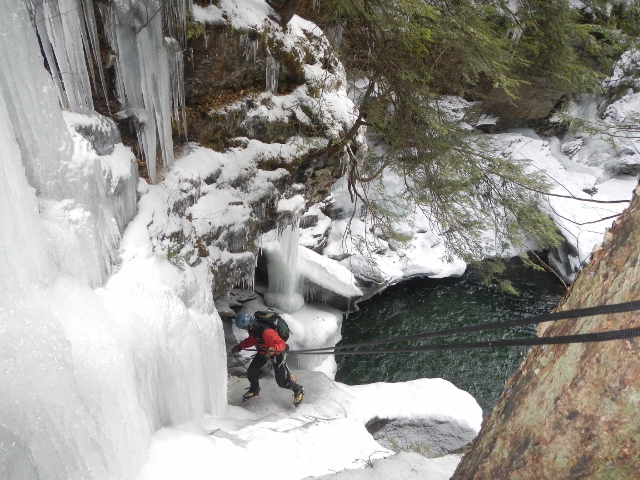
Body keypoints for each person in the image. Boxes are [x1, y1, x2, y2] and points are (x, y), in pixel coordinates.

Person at [231, 312, 304, 407]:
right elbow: (252, 340)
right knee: (251, 373)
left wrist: (274, 349)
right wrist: (240, 346)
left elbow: (281, 344)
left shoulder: (266, 332)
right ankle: (254, 389)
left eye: (245, 327)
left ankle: (298, 389)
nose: (245, 329)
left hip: (278, 353)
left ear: (249, 324)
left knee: (281, 381)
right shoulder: (253, 330)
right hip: (264, 352)